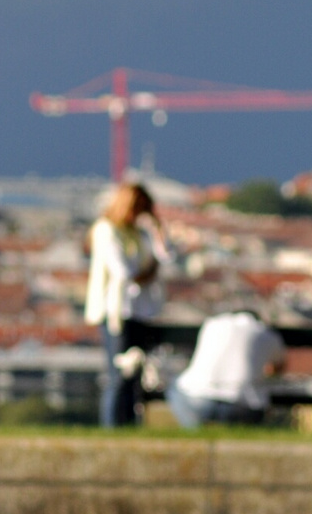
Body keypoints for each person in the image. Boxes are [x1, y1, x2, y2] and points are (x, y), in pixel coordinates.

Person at [84, 183, 170, 427]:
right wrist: (148, 271)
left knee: (136, 376)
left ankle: (129, 425)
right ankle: (113, 426)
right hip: (116, 311)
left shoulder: (139, 233)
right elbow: (123, 271)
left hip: (141, 310)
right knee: (119, 375)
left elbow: (164, 256)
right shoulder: (106, 230)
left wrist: (158, 231)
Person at [167, 309, 286, 428]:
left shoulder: (212, 324)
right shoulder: (267, 333)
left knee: (175, 386)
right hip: (245, 407)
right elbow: (277, 369)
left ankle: (194, 432)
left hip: (198, 400)